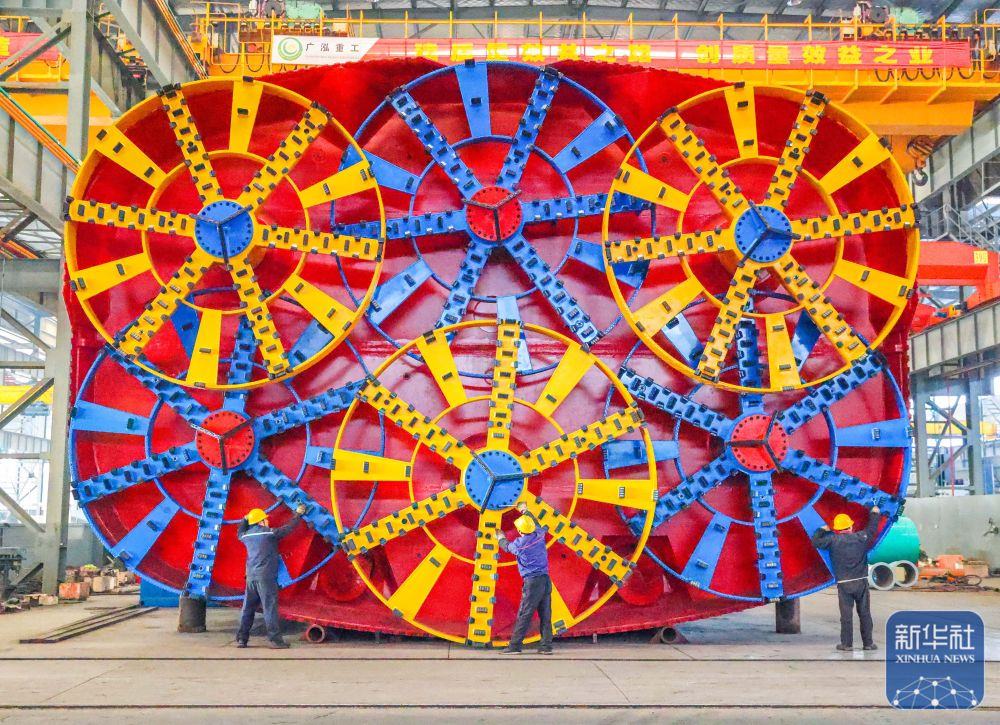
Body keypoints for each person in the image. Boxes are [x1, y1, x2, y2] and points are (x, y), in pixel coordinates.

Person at [811, 506, 882, 652]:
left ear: (837, 529)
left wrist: (823, 529)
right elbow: (872, 529)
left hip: (844, 584)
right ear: (850, 526)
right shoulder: (861, 537)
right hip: (861, 582)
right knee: (864, 613)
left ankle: (847, 644)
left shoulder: (832, 540)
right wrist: (875, 513)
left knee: (846, 615)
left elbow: (816, 542)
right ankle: (868, 644)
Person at [235, 503, 305, 649]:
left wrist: (245, 519)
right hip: (265, 577)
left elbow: (239, 531)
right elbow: (288, 528)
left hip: (250, 577)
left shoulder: (246, 536)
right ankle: (275, 640)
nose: (267, 521)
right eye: (265, 519)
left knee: (247, 608)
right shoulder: (268, 534)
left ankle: (242, 639)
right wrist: (298, 514)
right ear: (261, 522)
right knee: (269, 608)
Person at [498, 502, 553, 655]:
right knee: (546, 614)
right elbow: (535, 523)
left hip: (532, 582)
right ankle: (546, 646)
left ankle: (515, 646)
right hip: (545, 580)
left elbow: (507, 547)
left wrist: (500, 537)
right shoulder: (539, 534)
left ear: (520, 531)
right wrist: (524, 510)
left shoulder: (521, 544)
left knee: (525, 614)